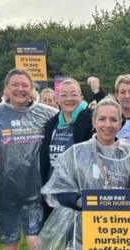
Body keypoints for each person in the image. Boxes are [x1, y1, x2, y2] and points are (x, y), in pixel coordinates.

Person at [36, 98, 130, 250]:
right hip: (85, 233)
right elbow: (57, 189)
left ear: (121, 123)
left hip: (123, 234)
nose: (108, 124)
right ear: (93, 121)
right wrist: (81, 201)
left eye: (114, 119)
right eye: (102, 119)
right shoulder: (76, 154)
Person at [0, 69, 57, 250]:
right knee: (10, 243)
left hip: (35, 192)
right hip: (5, 192)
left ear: (32, 89)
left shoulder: (48, 114)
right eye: (14, 85)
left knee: (35, 243)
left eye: (25, 85)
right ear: (6, 89)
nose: (20, 89)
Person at [40, 79, 95, 219]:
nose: (69, 99)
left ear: (81, 98)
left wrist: (98, 93)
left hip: (80, 196)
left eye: (73, 94)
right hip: (54, 195)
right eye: (63, 95)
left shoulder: (90, 119)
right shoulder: (52, 123)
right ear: (57, 99)